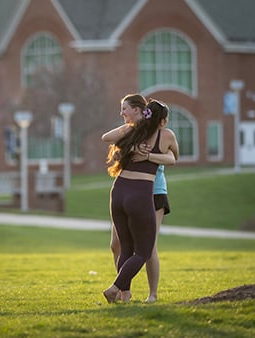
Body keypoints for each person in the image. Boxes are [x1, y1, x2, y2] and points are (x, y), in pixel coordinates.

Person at [101, 94, 178, 303]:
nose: (122, 113)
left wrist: (148, 156)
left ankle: (152, 294)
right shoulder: (131, 132)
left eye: (125, 108)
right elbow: (111, 144)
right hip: (133, 191)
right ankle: (123, 290)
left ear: (139, 110)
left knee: (148, 247)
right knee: (117, 245)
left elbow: (173, 157)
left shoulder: (161, 134)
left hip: (153, 191)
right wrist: (125, 151)